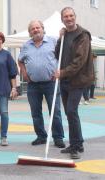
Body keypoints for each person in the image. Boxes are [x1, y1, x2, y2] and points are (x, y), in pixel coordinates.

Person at [54, 7, 94, 159]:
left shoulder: (83, 35)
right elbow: (57, 54)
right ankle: (77, 143)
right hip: (65, 80)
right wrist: (59, 38)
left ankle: (75, 146)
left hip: (78, 80)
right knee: (70, 113)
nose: (69, 18)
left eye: (71, 16)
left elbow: (79, 61)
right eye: (66, 16)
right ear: (62, 19)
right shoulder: (65, 35)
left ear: (75, 17)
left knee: (71, 111)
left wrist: (62, 72)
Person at [18, 20, 65, 148]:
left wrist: (59, 71)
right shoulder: (26, 45)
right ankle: (41, 136)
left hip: (51, 83)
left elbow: (63, 56)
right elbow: (20, 60)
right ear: (30, 32)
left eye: (37, 27)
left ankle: (58, 137)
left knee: (55, 112)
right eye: (32, 29)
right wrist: (24, 73)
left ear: (43, 29)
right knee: (35, 113)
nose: (35, 30)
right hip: (33, 85)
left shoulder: (53, 41)